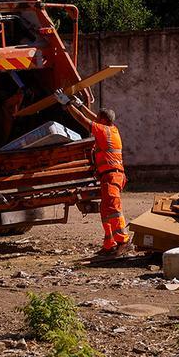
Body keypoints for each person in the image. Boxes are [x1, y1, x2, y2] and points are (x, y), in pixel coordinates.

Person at [61, 96, 131, 258]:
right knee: (106, 209)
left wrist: (68, 105)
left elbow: (82, 119)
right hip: (111, 176)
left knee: (113, 208)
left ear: (104, 120)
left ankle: (123, 241)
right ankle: (110, 244)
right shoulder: (112, 128)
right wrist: (81, 104)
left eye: (99, 119)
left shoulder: (102, 130)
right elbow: (93, 118)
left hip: (112, 176)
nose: (96, 121)